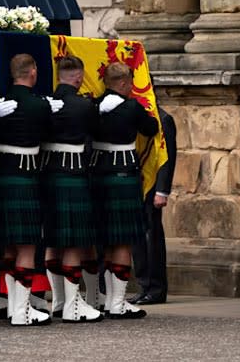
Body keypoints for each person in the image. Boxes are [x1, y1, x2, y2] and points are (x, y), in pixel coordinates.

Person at [0, 53, 60, 326]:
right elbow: (51, 135)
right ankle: (21, 310)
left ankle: (13, 307)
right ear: (33, 72)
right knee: (27, 246)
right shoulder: (39, 106)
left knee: (8, 246)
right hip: (26, 177)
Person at [91, 62, 158, 319]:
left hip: (98, 175)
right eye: (130, 82)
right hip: (122, 176)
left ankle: (109, 300)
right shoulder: (131, 106)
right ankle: (117, 303)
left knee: (107, 239)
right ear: (122, 83)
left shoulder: (94, 106)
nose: (131, 87)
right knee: (123, 241)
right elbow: (150, 129)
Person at [41, 55, 103, 323]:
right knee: (75, 241)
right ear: (78, 77)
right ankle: (72, 305)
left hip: (48, 174)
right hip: (74, 173)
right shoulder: (83, 105)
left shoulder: (44, 104)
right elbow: (97, 132)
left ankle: (60, 301)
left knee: (54, 239)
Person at [129, 106, 177, 305]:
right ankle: (144, 285)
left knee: (152, 238)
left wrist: (162, 190)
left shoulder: (164, 118)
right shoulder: (138, 116)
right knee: (138, 239)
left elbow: (167, 157)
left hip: (153, 187)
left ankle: (156, 288)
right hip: (138, 183)